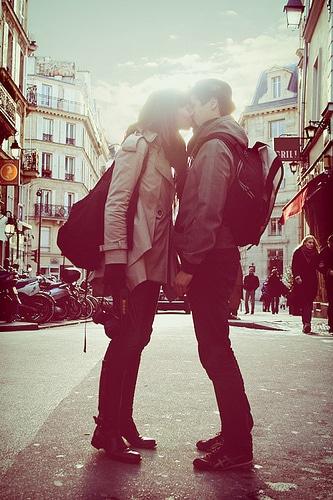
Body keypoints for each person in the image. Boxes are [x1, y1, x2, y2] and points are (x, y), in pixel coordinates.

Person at [90, 89, 192, 464]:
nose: (189, 110)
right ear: (168, 109)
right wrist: (115, 260)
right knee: (126, 341)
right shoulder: (137, 145)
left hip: (152, 263)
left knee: (138, 339)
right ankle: (106, 429)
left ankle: (123, 422)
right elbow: (117, 203)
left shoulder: (166, 151)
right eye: (184, 105)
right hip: (131, 261)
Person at [174, 79, 253, 471]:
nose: (189, 109)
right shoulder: (222, 141)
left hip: (210, 258)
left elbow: (206, 209)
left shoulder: (214, 145)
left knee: (215, 350)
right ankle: (237, 428)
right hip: (220, 255)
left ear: (212, 103)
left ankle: (239, 444)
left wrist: (189, 265)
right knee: (216, 348)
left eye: (193, 103)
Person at [291, 235, 319, 334]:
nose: (311, 244)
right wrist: (297, 276)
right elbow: (294, 266)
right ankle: (306, 323)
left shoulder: (315, 253)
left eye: (312, 243)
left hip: (311, 281)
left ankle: (307, 323)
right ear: (304, 243)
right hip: (301, 281)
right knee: (304, 302)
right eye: (309, 242)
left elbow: (319, 265)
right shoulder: (298, 252)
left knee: (308, 301)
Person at [317, 234, 333, 333]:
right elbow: (319, 264)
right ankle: (332, 324)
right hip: (330, 281)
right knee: (332, 302)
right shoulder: (325, 252)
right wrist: (328, 271)